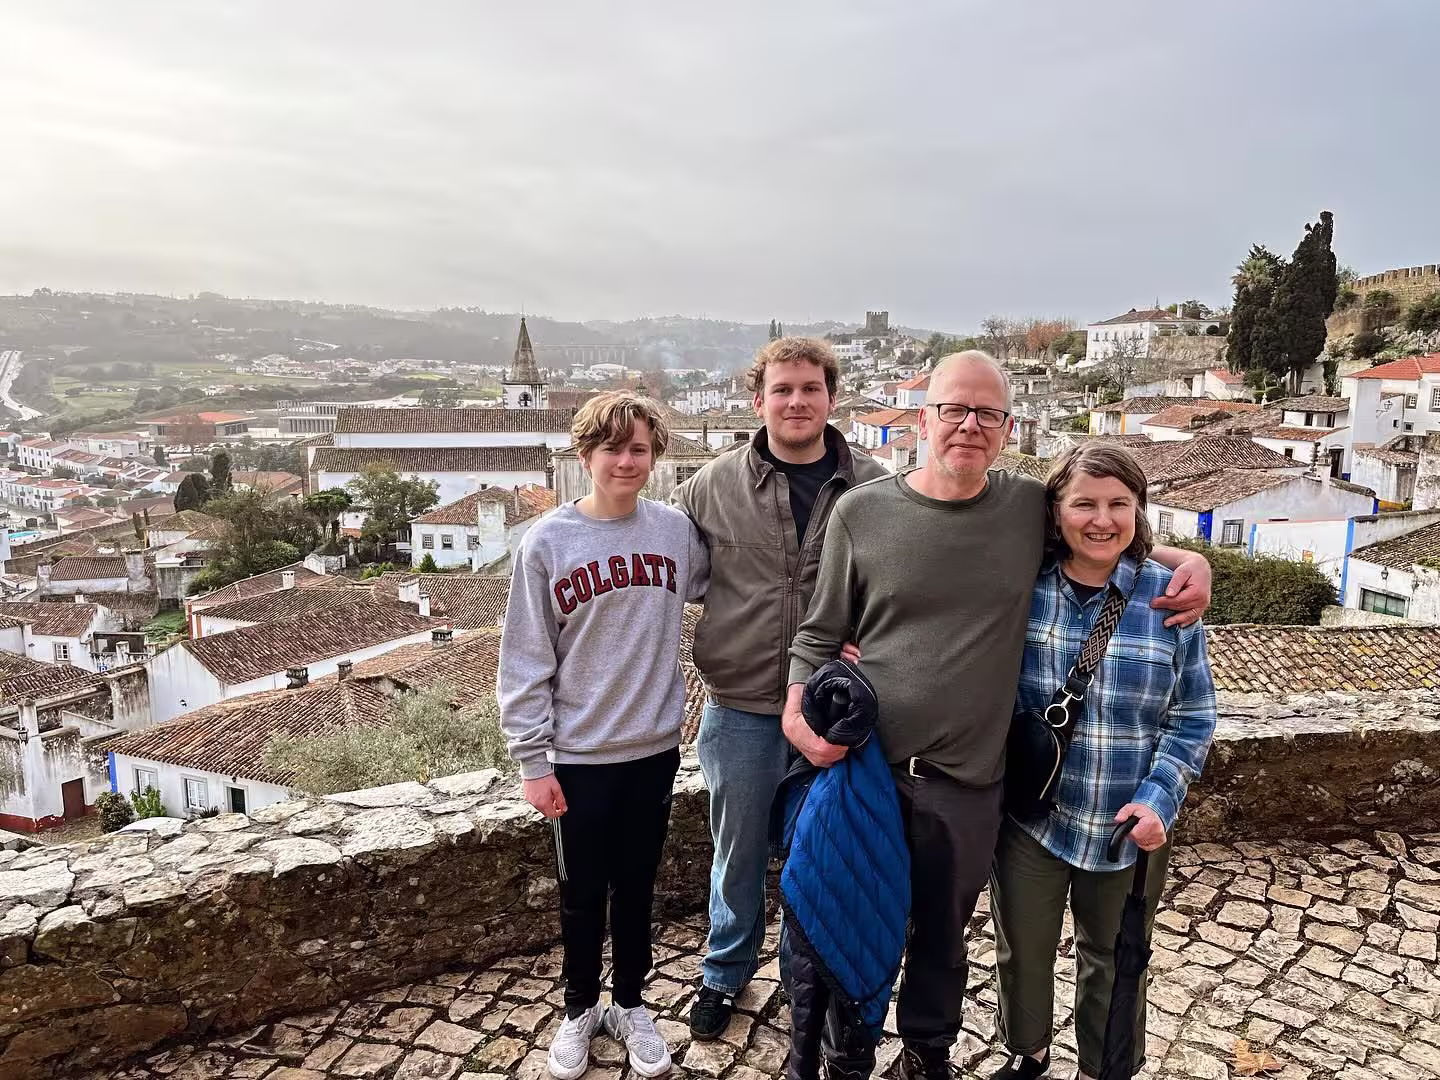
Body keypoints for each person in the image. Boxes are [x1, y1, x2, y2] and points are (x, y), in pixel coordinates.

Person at [786, 351, 1212, 1080]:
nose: (969, 426)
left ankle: (926, 1055)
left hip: (970, 783)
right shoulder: (861, 511)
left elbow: (1103, 532)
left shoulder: (1021, 510)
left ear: (1008, 427)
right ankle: (842, 1054)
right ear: (924, 416)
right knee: (847, 919)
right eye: (955, 408)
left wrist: (1195, 563)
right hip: (870, 773)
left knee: (943, 941)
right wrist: (798, 721)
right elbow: (818, 635)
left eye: (987, 413)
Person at [671, 336, 889, 1040]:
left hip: (834, 708)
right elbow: (640, 541)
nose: (797, 402)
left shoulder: (878, 486)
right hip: (742, 706)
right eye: (783, 390)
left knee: (836, 852)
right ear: (757, 399)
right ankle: (724, 974)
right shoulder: (710, 485)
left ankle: (827, 982)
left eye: (810, 389)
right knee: (735, 851)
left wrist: (1152, 551)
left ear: (832, 397)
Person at [987, 443, 1216, 1080]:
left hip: (1128, 818)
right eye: (1083, 503)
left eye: (1119, 504)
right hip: (1036, 817)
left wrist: (1160, 798)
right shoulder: (1021, 591)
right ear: (1055, 513)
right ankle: (1027, 1053)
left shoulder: (1169, 599)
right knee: (1023, 951)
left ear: (1138, 511)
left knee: (1118, 956)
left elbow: (1192, 715)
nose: (1101, 519)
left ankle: (1104, 1066)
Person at [499, 391, 709, 1080]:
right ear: (585, 454)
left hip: (652, 750)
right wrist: (533, 761)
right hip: (579, 756)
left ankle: (630, 1003)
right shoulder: (548, 544)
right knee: (582, 890)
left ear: (655, 456)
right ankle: (578, 1008)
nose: (626, 460)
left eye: (639, 448)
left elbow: (732, 589)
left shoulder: (675, 532)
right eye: (612, 447)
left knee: (639, 885)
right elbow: (525, 659)